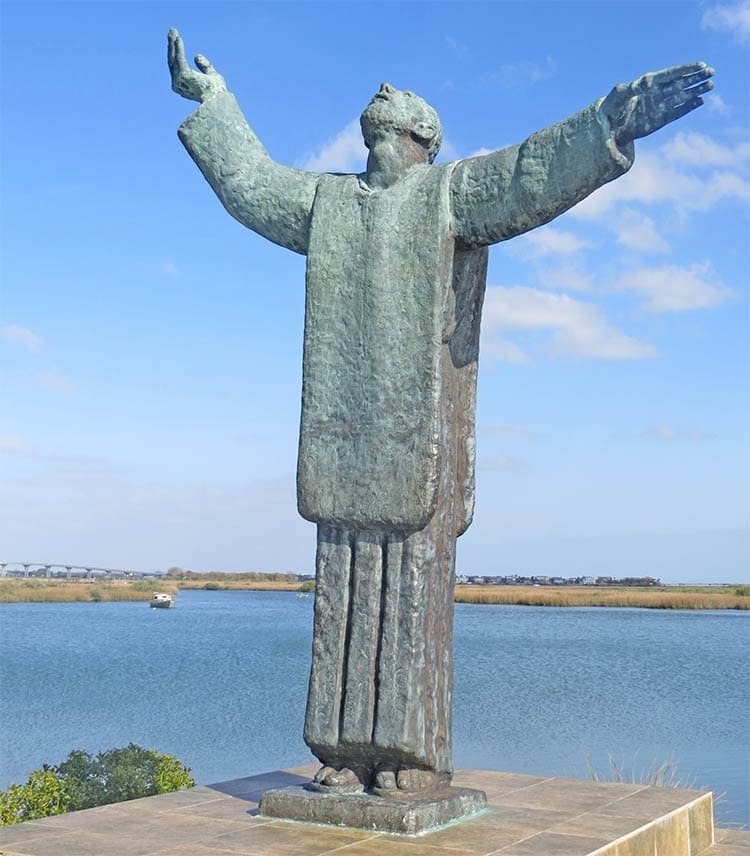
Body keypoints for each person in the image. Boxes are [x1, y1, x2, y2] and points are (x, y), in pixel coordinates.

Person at [168, 29, 713, 797]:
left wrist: (607, 126)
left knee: (409, 596)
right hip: (344, 435)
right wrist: (217, 104)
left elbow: (529, 173)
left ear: (421, 136)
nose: (379, 105)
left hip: (420, 436)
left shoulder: (451, 193)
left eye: (389, 115)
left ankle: (411, 761)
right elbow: (252, 184)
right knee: (343, 600)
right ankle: (343, 752)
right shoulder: (328, 202)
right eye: (372, 116)